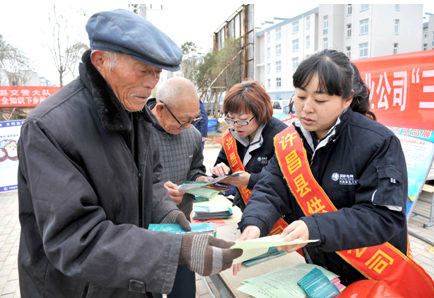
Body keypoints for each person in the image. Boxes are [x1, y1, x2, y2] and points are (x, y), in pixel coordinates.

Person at [17, 9, 241, 298]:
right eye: (142, 69)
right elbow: (75, 238)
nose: (151, 83)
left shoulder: (136, 116)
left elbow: (151, 183)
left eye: (157, 72)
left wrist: (170, 215)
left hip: (126, 282)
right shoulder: (49, 128)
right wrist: (174, 251)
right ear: (100, 61)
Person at [234, 49, 433, 294]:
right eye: (300, 96)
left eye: (320, 100)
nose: (306, 108)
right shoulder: (289, 140)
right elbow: (270, 187)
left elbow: (383, 217)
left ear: (347, 100)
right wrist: (254, 223)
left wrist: (316, 227)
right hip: (321, 270)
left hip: (370, 276)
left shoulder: (378, 142)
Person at [147, 77, 212, 298]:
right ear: (160, 109)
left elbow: (196, 168)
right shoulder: (137, 133)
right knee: (149, 289)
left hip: (182, 226)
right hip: (146, 231)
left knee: (184, 290)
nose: (187, 127)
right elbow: (123, 181)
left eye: (194, 120)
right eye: (184, 120)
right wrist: (156, 194)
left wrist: (200, 180)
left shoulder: (192, 134)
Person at [209, 81, 288, 213]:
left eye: (242, 119)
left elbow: (286, 181)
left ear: (260, 113)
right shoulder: (232, 136)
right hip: (247, 209)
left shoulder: (281, 137)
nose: (236, 125)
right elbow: (220, 170)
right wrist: (220, 171)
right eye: (231, 118)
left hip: (279, 215)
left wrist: (251, 180)